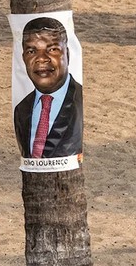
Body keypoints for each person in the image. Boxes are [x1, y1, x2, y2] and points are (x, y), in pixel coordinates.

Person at [12, 16, 83, 159]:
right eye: (31, 51)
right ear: (24, 58)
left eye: (52, 49)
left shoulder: (81, 101)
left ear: (67, 54)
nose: (42, 58)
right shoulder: (21, 110)